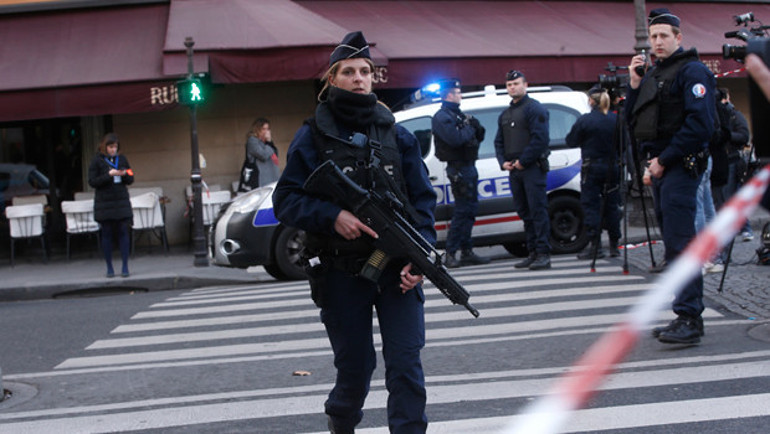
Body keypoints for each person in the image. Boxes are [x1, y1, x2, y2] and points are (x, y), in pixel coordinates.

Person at [272, 31, 436, 433]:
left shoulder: (397, 135)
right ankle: (341, 423)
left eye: (366, 71)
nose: (360, 78)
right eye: (349, 71)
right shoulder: (312, 136)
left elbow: (424, 202)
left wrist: (422, 256)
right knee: (356, 368)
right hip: (342, 273)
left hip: (397, 271)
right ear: (332, 79)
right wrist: (333, 217)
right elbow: (286, 199)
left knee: (406, 364)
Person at [627, 8, 716, 344]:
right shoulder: (654, 74)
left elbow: (700, 125)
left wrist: (663, 159)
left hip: (680, 165)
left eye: (664, 35)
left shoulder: (691, 71)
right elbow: (634, 123)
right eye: (653, 37)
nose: (657, 42)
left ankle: (690, 317)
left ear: (679, 37)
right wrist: (635, 85)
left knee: (682, 244)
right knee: (674, 245)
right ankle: (685, 312)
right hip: (662, 167)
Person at [494, 70, 551, 270]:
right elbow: (499, 141)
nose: (512, 87)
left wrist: (523, 161)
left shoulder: (534, 109)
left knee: (538, 211)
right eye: (509, 84)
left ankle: (543, 253)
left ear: (525, 85)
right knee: (524, 212)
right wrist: (503, 162)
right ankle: (533, 251)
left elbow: (540, 139)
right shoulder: (505, 114)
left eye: (516, 83)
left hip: (532, 168)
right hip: (515, 170)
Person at [431, 78, 489, 268]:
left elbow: (477, 135)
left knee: (470, 211)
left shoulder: (457, 115)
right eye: (457, 92)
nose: (460, 95)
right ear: (449, 95)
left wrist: (474, 126)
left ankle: (467, 251)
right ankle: (451, 253)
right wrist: (469, 127)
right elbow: (456, 139)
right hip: (458, 168)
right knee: (462, 211)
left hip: (468, 166)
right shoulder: (442, 117)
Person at [566, 86, 621, 259]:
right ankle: (614, 244)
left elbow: (571, 140)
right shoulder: (616, 119)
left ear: (591, 100)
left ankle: (595, 246)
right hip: (613, 166)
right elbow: (624, 143)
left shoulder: (586, 120)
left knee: (591, 206)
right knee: (612, 205)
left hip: (592, 167)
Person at [88, 133, 134, 278]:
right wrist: (109, 175)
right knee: (106, 233)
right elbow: (92, 181)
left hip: (120, 200)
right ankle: (109, 267)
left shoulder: (122, 159)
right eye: (110, 147)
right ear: (104, 147)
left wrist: (123, 174)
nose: (113, 150)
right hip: (105, 202)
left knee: (123, 232)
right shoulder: (97, 161)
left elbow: (131, 177)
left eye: (115, 147)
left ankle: (125, 266)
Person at [720, 88, 754, 241]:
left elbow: (744, 136)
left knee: (732, 197)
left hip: (734, 160)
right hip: (723, 161)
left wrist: (727, 136)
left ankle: (745, 228)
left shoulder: (735, 115)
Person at [237, 118, 280, 192]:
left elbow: (275, 154)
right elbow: (263, 155)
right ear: (257, 129)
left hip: (271, 177)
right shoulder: (252, 141)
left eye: (268, 129)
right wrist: (269, 143)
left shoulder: (266, 142)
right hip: (260, 179)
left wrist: (269, 142)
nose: (266, 132)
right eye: (263, 129)